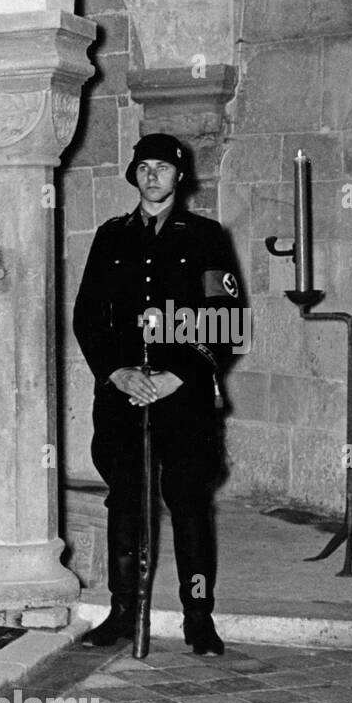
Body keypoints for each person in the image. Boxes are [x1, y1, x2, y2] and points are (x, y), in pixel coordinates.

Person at [73, 134, 243, 656]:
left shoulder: (207, 237)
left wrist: (181, 376)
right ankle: (122, 612)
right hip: (123, 395)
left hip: (183, 397)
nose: (152, 176)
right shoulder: (110, 237)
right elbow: (87, 317)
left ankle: (198, 618)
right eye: (143, 167)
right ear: (133, 175)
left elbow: (227, 319)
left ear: (179, 177)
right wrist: (117, 372)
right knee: (125, 501)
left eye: (162, 168)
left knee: (189, 503)